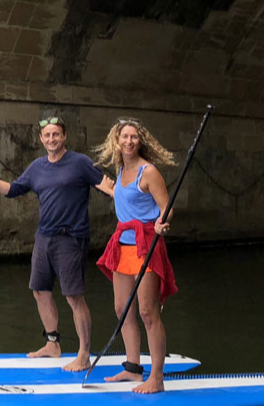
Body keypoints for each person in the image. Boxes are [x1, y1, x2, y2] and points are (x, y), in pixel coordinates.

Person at [0, 117, 110, 371]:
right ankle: (52, 343)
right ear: (41, 139)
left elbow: (107, 187)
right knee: (39, 291)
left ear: (64, 136)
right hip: (43, 238)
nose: (51, 139)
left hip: (71, 238)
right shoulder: (37, 167)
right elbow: (12, 190)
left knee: (73, 297)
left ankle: (84, 354)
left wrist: (134, 200)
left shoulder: (80, 163)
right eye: (47, 135)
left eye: (56, 134)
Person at [93, 118, 178, 394]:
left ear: (140, 141)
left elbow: (167, 208)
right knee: (122, 308)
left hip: (145, 246)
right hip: (123, 246)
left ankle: (157, 377)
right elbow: (125, 199)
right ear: (116, 141)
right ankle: (132, 368)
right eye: (124, 137)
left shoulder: (148, 172)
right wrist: (110, 189)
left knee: (147, 311)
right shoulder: (120, 169)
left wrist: (162, 222)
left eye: (133, 137)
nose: (129, 141)